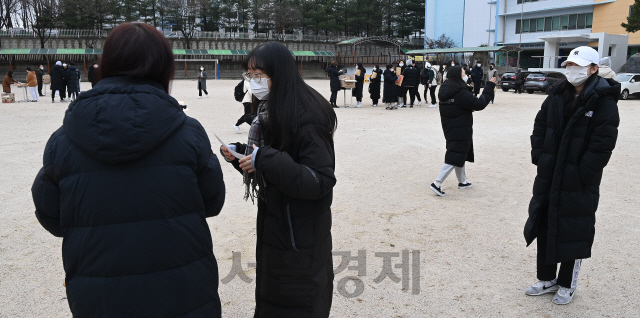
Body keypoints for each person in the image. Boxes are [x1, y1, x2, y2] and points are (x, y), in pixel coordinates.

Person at [32, 23, 226, 318]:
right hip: (182, 288)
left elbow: (51, 214)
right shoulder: (189, 132)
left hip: (99, 291)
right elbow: (212, 201)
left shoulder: (64, 139)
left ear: (107, 63)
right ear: (164, 67)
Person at [219, 41, 337, 317]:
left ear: (279, 73)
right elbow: (275, 165)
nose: (253, 81)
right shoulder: (269, 111)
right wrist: (242, 157)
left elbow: (319, 180)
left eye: (258, 74)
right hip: (278, 226)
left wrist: (265, 158)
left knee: (297, 304)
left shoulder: (306, 114)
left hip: (300, 235)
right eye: (250, 74)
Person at [524, 46, 619, 306]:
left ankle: (567, 284)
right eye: (569, 65)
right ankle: (546, 278)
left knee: (573, 229)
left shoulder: (604, 100)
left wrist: (581, 173)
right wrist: (539, 156)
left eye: (577, 65)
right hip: (550, 172)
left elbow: (603, 144)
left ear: (593, 69)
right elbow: (540, 125)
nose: (572, 70)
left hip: (578, 180)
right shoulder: (556, 94)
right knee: (544, 223)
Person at [429, 66, 496, 197]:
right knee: (455, 155)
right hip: (460, 126)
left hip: (450, 126)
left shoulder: (445, 88)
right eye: (464, 72)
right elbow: (479, 104)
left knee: (459, 152)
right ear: (459, 75)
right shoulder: (459, 92)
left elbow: (460, 105)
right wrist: (489, 87)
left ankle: (462, 181)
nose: (466, 74)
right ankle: (437, 183)